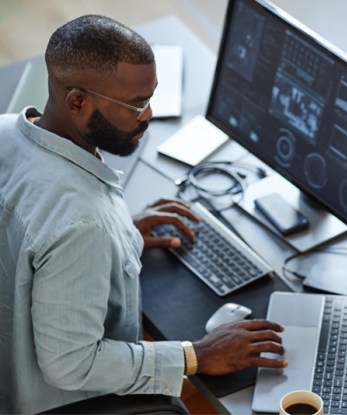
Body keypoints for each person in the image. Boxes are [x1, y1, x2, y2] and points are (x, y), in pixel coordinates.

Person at [0, 15, 288, 414]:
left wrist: (120, 234)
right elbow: (71, 365)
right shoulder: (83, 223)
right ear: (78, 101)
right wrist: (196, 356)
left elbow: (32, 231)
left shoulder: (5, 131)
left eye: (150, 97)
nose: (149, 115)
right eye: (136, 105)